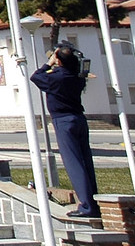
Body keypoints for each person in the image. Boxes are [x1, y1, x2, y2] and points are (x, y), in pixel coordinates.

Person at [31, 44, 99, 219]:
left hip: (63, 120)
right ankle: (93, 201)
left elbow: (36, 77)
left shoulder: (57, 77)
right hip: (79, 119)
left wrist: (49, 63)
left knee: (74, 164)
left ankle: (86, 206)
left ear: (59, 60)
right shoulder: (77, 76)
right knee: (85, 161)